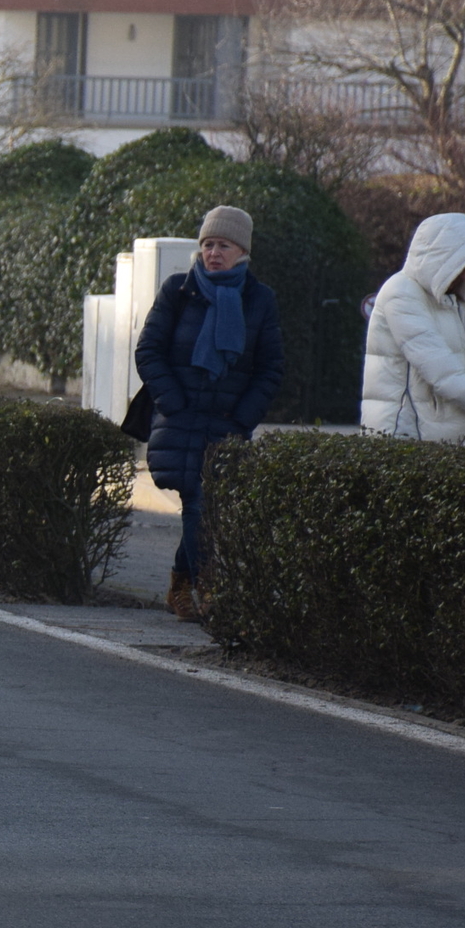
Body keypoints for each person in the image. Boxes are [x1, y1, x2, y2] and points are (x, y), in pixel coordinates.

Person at [133, 205, 284, 621]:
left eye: (224, 245)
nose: (214, 252)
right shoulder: (178, 291)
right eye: (208, 244)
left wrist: (242, 418)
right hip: (180, 420)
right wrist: (172, 401)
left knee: (207, 507)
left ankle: (181, 583)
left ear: (242, 251)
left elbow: (270, 368)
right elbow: (148, 351)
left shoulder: (259, 299)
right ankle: (206, 587)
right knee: (199, 504)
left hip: (225, 424)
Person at [361, 211, 465, 446]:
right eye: (462, 263)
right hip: (400, 433)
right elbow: (436, 363)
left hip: (442, 437)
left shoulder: (459, 302)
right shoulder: (401, 292)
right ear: (441, 259)